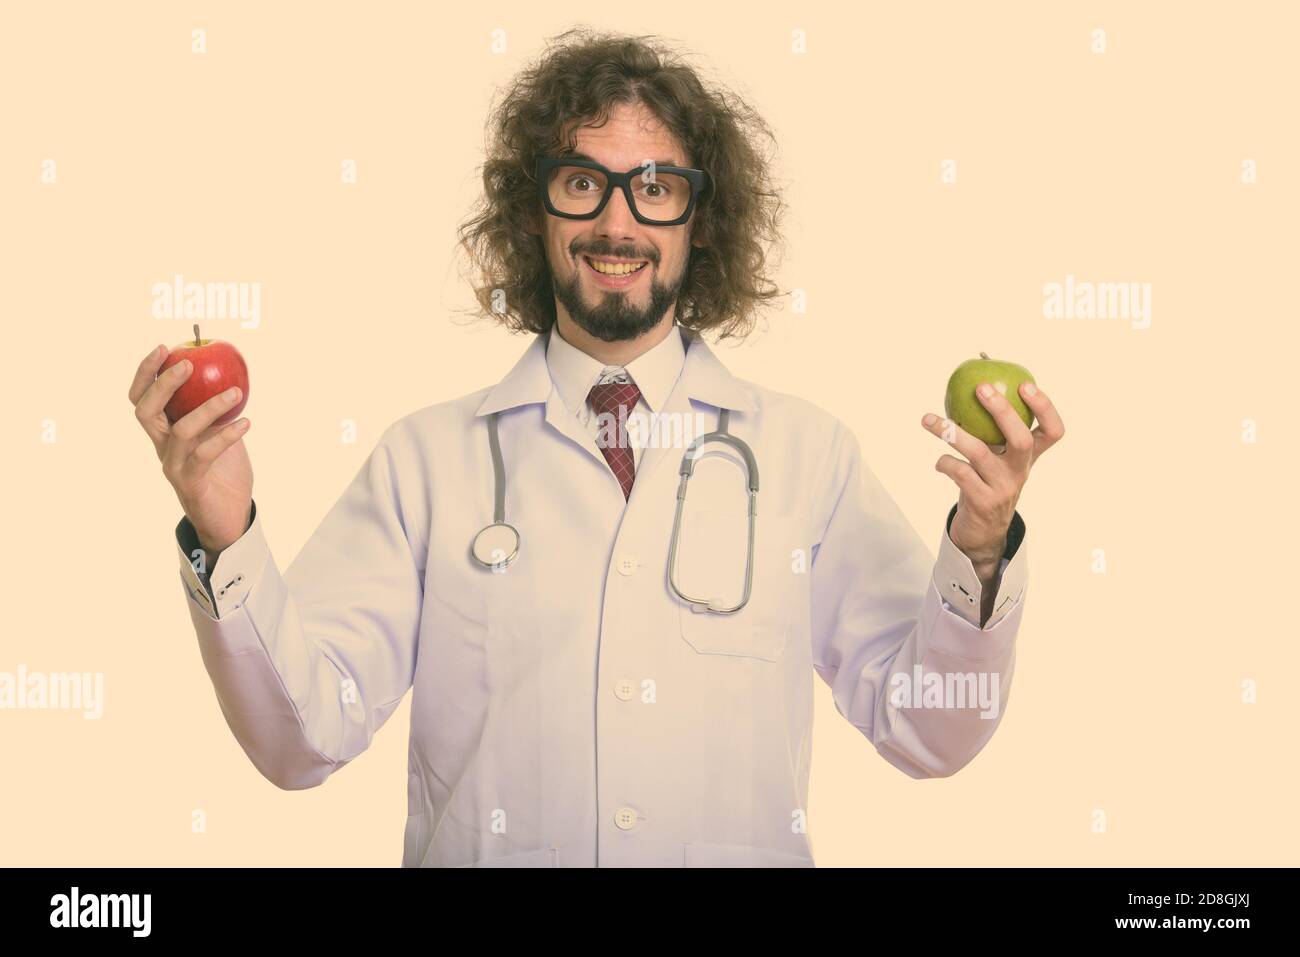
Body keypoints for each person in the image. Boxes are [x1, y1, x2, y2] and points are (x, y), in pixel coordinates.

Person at [128, 28, 1064, 868]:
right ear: (532, 212)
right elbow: (301, 742)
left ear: (702, 222)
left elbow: (934, 733)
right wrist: (227, 530)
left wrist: (979, 548)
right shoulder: (425, 461)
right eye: (584, 182)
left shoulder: (806, 456)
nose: (619, 223)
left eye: (657, 187)